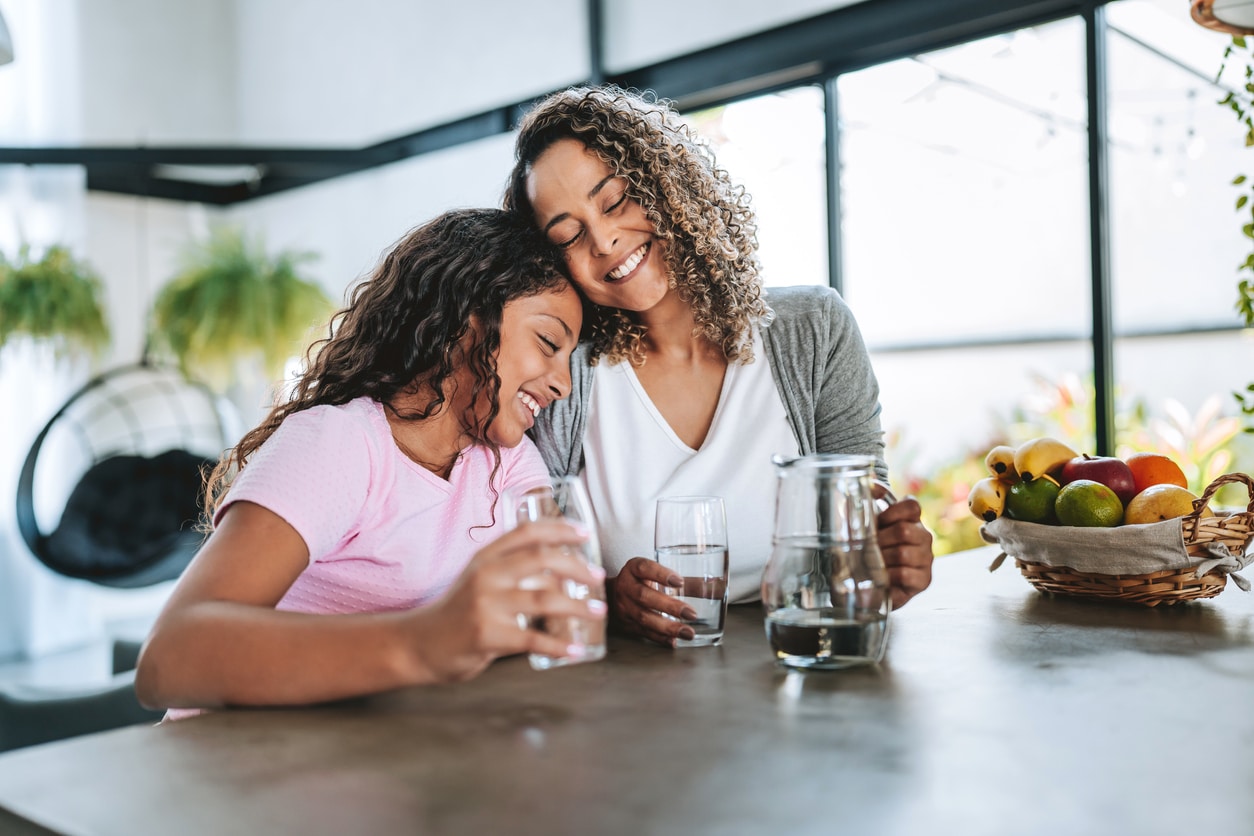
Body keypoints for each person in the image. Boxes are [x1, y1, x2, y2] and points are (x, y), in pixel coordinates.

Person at [503, 85, 934, 647]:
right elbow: (539, 575)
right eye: (568, 234)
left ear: (667, 184)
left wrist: (891, 560)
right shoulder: (565, 378)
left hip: (799, 672)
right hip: (628, 703)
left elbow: (861, 530)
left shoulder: (813, 330)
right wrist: (606, 598)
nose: (605, 240)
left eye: (613, 202)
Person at [135, 208, 604, 712]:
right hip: (234, 767)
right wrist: (424, 642)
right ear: (469, 315)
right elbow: (170, 660)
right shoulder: (344, 443)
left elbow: (558, 615)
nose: (563, 383)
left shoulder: (507, 463)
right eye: (548, 342)